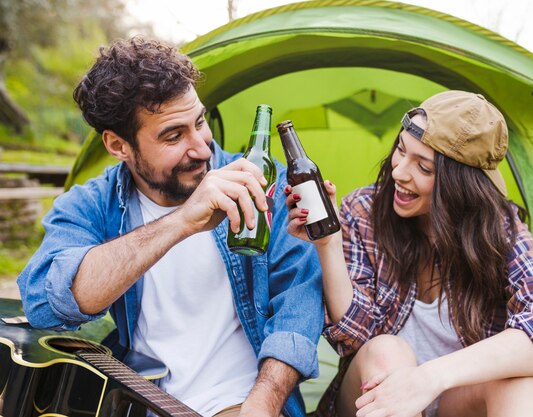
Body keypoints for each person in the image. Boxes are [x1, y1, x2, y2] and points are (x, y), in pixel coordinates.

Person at [18, 37, 323, 417]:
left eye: (199, 122)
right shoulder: (91, 204)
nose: (202, 148)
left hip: (242, 402)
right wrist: (181, 222)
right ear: (118, 145)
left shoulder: (259, 183)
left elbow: (300, 301)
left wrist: (262, 406)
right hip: (142, 401)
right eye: (174, 135)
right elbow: (45, 303)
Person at [285, 90, 533, 417]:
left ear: (461, 186)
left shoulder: (499, 231)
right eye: (401, 150)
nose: (399, 172)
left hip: (455, 403)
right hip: (373, 398)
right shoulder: (364, 209)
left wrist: (430, 377)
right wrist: (330, 244)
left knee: (520, 380)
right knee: (386, 351)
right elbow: (355, 339)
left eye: (423, 167)